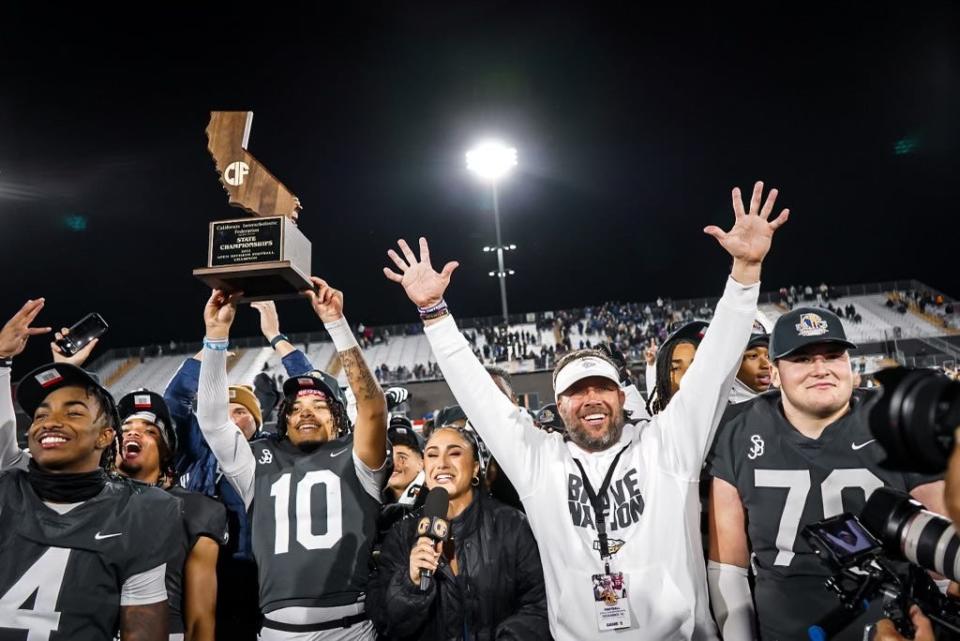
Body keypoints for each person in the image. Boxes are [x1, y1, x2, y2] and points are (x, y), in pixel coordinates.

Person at [383, 180, 789, 640]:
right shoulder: (540, 461)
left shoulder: (668, 444)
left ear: (621, 396)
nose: (592, 398)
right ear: (559, 406)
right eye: (578, 391)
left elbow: (714, 365)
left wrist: (745, 273)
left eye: (603, 388)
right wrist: (435, 313)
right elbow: (480, 397)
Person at [707, 306, 947, 641]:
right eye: (802, 359)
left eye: (833, 356)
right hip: (786, 631)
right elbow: (728, 567)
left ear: (850, 364)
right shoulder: (738, 430)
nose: (820, 369)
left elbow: (945, 551)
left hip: (891, 629)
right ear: (774, 374)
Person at [197, 278, 388, 640]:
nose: (306, 413)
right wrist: (217, 334)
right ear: (283, 418)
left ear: (339, 418)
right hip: (274, 631)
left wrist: (336, 322)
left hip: (349, 630)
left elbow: (374, 409)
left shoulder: (358, 457)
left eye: (319, 405)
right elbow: (211, 421)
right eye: (296, 407)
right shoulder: (258, 461)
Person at [0, 298, 180, 641]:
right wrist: (1, 361)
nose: (49, 423)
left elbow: (142, 628)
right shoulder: (8, 485)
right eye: (40, 415)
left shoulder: (144, 510)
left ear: (106, 436)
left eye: (73, 413)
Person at [166, 300, 314, 641]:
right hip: (198, 566)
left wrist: (276, 337)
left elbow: (312, 392)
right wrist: (212, 340)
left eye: (242, 412)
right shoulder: (194, 450)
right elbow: (175, 399)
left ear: (259, 420)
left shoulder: (277, 451)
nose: (233, 417)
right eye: (227, 410)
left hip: (261, 570)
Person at [369, 426, 550, 641]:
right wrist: (411, 583)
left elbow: (539, 605)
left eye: (454, 453)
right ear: (425, 469)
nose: (442, 463)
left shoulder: (512, 525)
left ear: (475, 467)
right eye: (432, 455)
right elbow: (386, 622)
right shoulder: (402, 533)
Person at [115, 389, 228, 641]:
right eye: (126, 427)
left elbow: (200, 620)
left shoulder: (197, 509)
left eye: (150, 430)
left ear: (166, 451)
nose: (133, 432)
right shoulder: (86, 499)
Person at [647, 319, 709, 414]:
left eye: (696, 366)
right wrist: (651, 366)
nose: (687, 376)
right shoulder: (657, 426)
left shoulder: (734, 421)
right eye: (675, 368)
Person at [728, 320, 772, 404]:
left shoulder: (780, 404)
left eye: (768, 356)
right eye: (753, 356)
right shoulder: (716, 412)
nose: (766, 364)